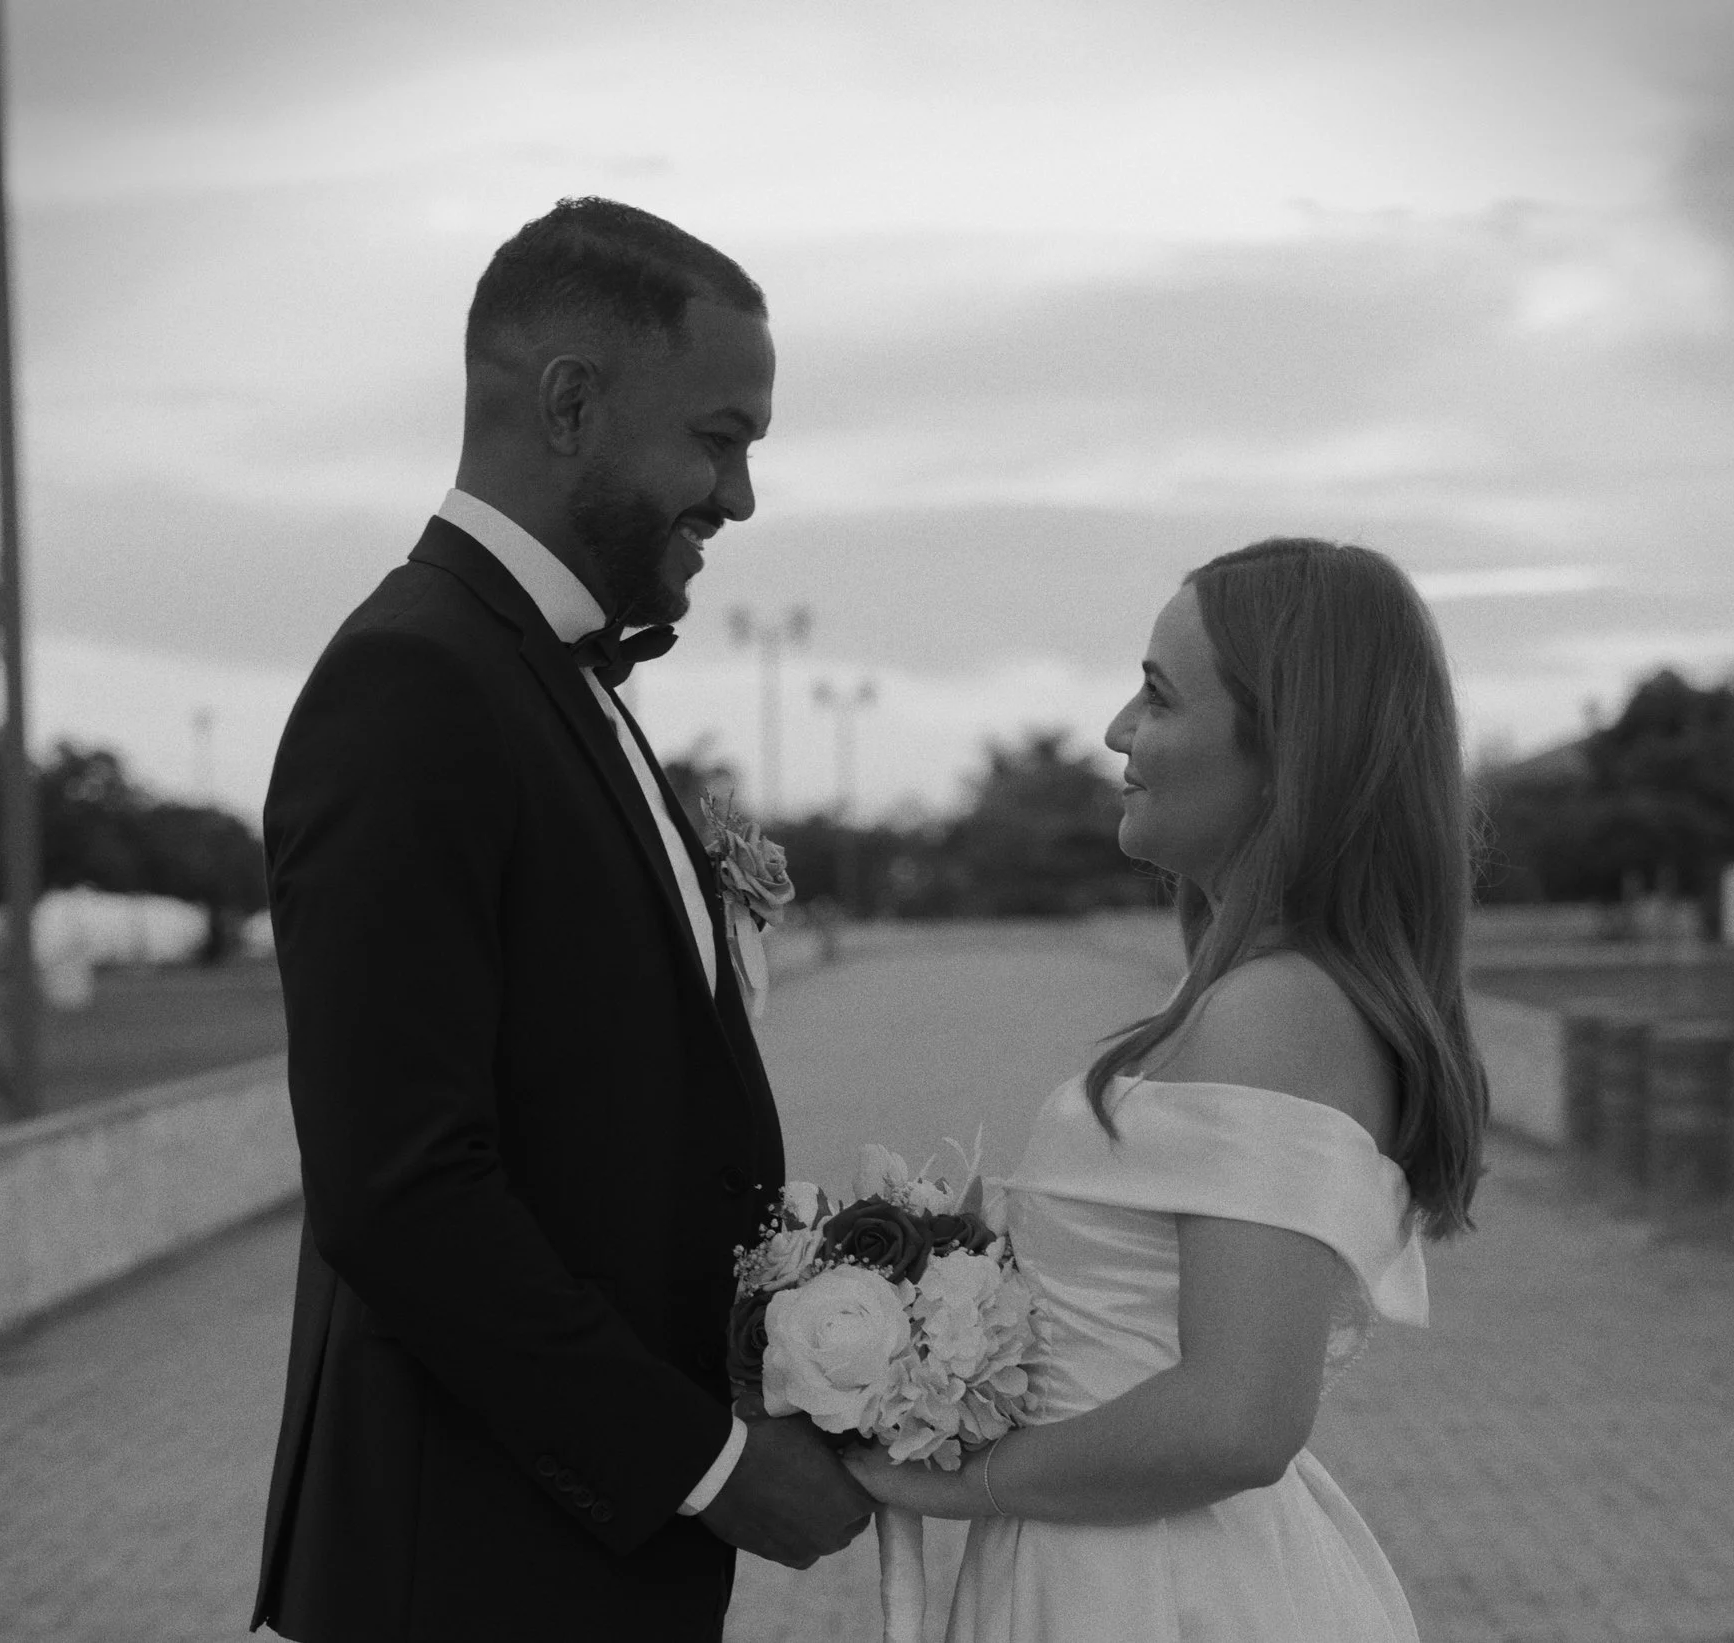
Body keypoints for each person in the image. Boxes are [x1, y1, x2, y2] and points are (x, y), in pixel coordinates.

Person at [252, 198, 874, 1643]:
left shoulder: (544, 676)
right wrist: (710, 1466)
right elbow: (401, 1189)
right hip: (462, 1570)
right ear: (572, 403)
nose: (738, 496)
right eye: (719, 439)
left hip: (576, 1561)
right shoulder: (411, 687)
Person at [844, 538, 1488, 1641]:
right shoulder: (1258, 993)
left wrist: (955, 1479)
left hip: (1159, 1591)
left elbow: (1237, 1416)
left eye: (1157, 693)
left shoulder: (1274, 1011)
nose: (1115, 731)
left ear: (1286, 750)